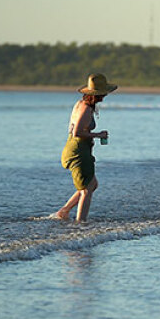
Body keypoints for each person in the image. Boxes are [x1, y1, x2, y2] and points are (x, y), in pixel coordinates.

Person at [53, 73, 117, 222]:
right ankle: (80, 224)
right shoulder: (86, 109)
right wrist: (98, 135)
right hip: (78, 151)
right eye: (103, 93)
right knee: (86, 190)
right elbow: (77, 132)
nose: (104, 96)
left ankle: (64, 212)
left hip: (76, 148)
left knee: (92, 184)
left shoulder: (80, 104)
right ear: (97, 94)